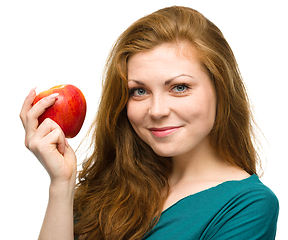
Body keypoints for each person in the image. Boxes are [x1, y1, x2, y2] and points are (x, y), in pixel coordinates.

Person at [20, 6, 279, 240]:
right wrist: (62, 183)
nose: (156, 111)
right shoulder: (108, 186)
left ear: (221, 89)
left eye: (179, 87)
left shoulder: (248, 206)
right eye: (139, 91)